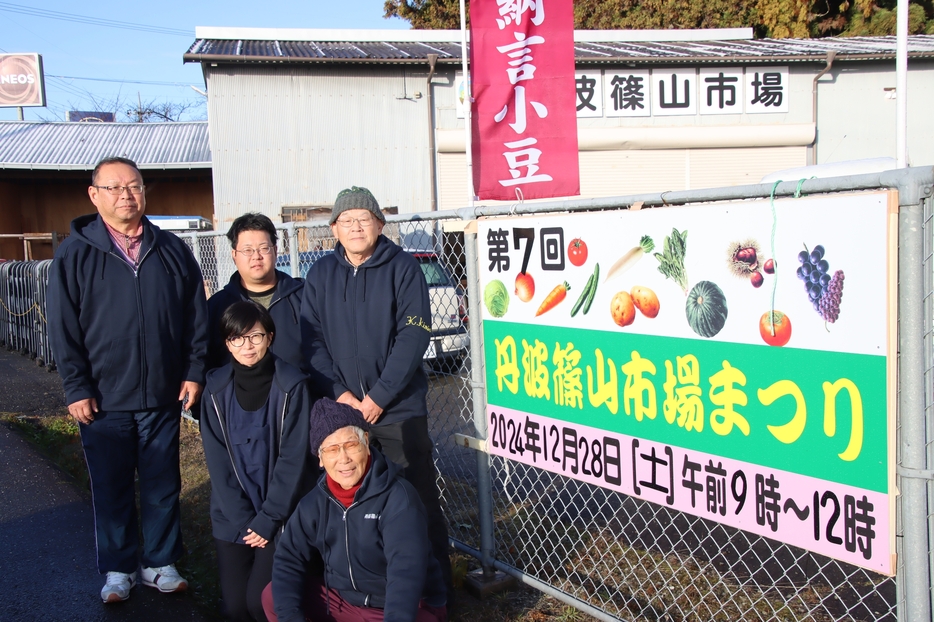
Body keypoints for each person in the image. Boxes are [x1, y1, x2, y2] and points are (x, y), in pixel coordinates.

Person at [46, 156, 208, 603]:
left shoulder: (172, 249)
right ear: (94, 195)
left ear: (144, 191)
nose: (126, 195)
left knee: (162, 483)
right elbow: (63, 327)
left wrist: (194, 370)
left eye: (133, 186)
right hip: (102, 397)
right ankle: (118, 568)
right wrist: (76, 386)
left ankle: (160, 562)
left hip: (161, 392)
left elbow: (196, 316)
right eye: (114, 187)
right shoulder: (75, 253)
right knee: (112, 484)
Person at [300, 186, 453, 601]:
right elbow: (310, 340)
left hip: (397, 409)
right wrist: (340, 394)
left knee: (414, 497)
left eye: (363, 219)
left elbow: (413, 335)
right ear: (333, 228)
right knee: (353, 497)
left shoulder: (402, 268)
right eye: (345, 221)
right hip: (345, 411)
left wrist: (380, 396)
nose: (354, 227)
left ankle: (434, 594)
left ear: (380, 225)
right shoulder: (320, 275)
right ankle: (368, 587)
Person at [261, 398, 447, 622]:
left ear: (366, 443)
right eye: (331, 449)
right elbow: (288, 559)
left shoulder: (398, 498)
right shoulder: (314, 503)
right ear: (320, 459)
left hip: (399, 606)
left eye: (351, 445)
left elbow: (406, 573)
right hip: (344, 602)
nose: (344, 459)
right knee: (273, 597)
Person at [200, 301, 315, 621]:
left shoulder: (292, 386)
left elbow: (293, 461)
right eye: (237, 338)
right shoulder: (215, 390)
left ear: (270, 337)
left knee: (259, 603)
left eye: (255, 336)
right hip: (232, 515)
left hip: (278, 514)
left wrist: (268, 519)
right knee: (235, 608)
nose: (246, 346)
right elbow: (218, 463)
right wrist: (243, 521)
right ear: (227, 343)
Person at [207, 212, 305, 372]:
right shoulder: (218, 306)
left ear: (275, 250)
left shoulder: (304, 297)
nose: (256, 256)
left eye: (263, 248)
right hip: (239, 395)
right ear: (234, 255)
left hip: (298, 393)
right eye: (247, 250)